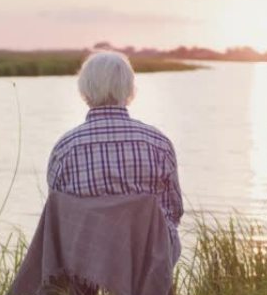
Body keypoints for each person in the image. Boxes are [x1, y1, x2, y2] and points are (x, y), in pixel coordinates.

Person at [47, 51, 183, 263]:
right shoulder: (158, 143)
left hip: (85, 260)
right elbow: (174, 211)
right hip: (145, 257)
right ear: (129, 89)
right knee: (165, 233)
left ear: (84, 90)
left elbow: (57, 214)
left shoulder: (66, 147)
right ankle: (146, 294)